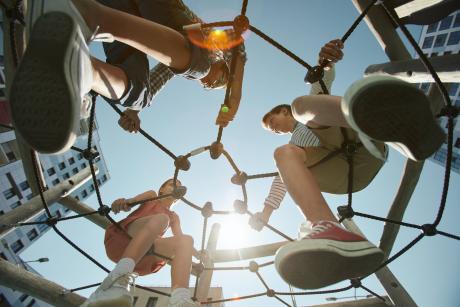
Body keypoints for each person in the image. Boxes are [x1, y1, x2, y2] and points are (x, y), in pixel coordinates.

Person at [250, 39, 445, 290]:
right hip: (348, 174)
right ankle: (326, 227)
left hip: (364, 145)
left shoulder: (304, 116)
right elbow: (283, 180)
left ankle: (389, 126)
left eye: (272, 121)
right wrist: (266, 213)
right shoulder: (294, 144)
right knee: (283, 155)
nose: (273, 128)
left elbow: (322, 83)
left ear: (282, 112)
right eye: (270, 129)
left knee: (303, 105)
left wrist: (327, 64)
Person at [10, 0, 245, 154]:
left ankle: (82, 70)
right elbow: (237, 52)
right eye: (215, 81)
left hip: (122, 11)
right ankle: (87, 16)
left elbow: (160, 77)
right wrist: (230, 106)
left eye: (209, 87)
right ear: (225, 65)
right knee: (200, 66)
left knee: (139, 94)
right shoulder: (214, 49)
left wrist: (135, 110)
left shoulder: (185, 58)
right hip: (153, 6)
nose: (206, 83)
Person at [81, 178, 202, 307]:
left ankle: (180, 299)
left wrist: (198, 255)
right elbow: (131, 202)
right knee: (162, 219)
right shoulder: (152, 196)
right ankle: (116, 280)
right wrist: (124, 203)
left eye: (178, 186)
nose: (176, 187)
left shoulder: (174, 217)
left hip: (144, 255)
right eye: (172, 184)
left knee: (186, 240)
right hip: (123, 237)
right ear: (161, 189)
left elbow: (180, 237)